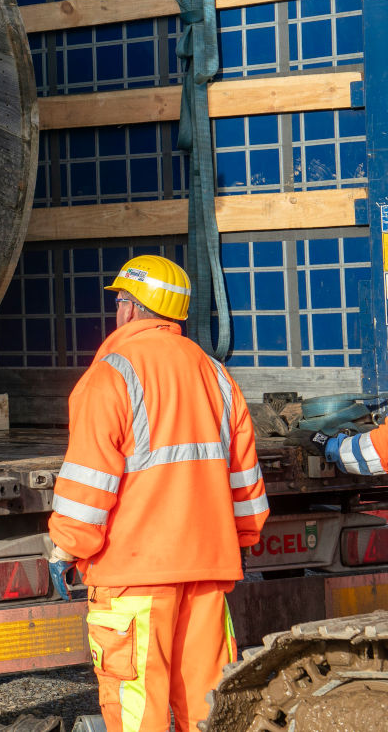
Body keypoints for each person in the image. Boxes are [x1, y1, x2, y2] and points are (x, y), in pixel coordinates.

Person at [48, 255, 269, 732]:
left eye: (119, 301)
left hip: (134, 574)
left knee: (136, 707)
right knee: (212, 706)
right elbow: (245, 481)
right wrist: (242, 538)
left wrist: (67, 547)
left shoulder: (110, 375)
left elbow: (88, 486)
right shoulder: (217, 376)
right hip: (208, 571)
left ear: (129, 307)